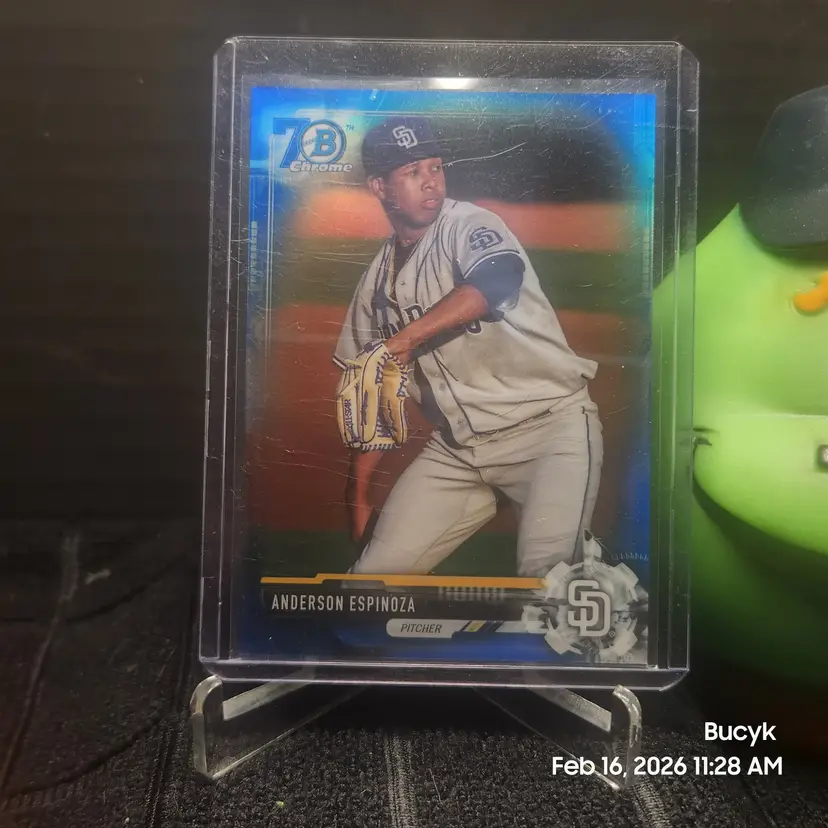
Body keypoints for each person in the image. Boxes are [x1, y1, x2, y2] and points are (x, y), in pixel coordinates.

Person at [333, 115, 603, 578]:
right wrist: (357, 492)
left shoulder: (469, 223)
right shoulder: (374, 284)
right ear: (379, 187)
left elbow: (496, 279)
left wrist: (402, 340)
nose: (430, 182)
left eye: (435, 167)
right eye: (412, 172)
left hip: (549, 434)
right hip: (457, 452)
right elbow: (370, 389)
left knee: (550, 588)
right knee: (369, 583)